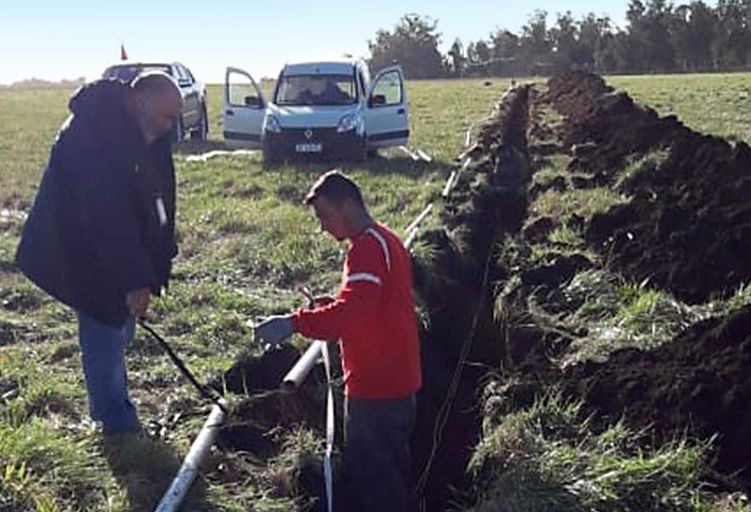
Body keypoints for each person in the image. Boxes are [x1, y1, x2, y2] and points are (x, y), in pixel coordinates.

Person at [15, 72, 182, 435]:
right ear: (140, 101)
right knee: (104, 319)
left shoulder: (146, 132)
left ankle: (115, 409)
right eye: (167, 116)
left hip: (114, 249)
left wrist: (158, 255)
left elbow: (158, 194)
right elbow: (107, 217)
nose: (171, 127)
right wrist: (135, 277)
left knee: (120, 324)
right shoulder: (89, 134)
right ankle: (115, 426)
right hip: (79, 250)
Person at [254, 170, 422, 511]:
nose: (322, 227)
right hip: (397, 382)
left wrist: (293, 322)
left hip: (377, 389)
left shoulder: (366, 249)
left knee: (375, 481)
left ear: (347, 206)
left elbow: (350, 315)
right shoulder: (386, 240)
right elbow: (365, 305)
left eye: (324, 217)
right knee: (390, 473)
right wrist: (330, 306)